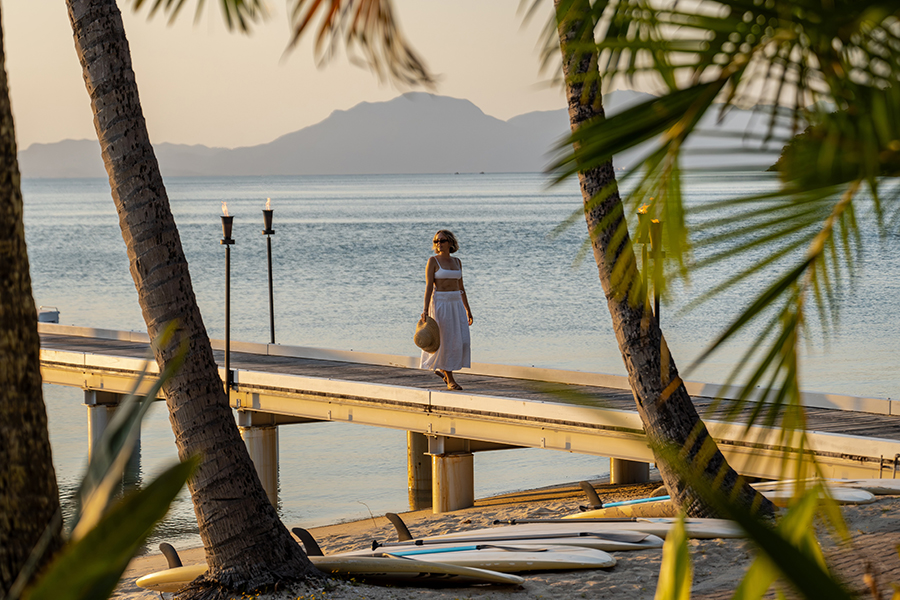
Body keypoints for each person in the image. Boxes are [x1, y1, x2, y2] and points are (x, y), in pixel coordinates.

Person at [419, 230, 473, 390]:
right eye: (436, 241)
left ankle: (443, 369)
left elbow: (461, 287)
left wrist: (468, 309)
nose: (438, 244)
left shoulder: (457, 261)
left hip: (456, 303)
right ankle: (450, 379)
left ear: (450, 242)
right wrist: (425, 309)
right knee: (446, 340)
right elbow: (429, 287)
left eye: (442, 241)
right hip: (440, 303)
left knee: (460, 340)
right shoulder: (433, 261)